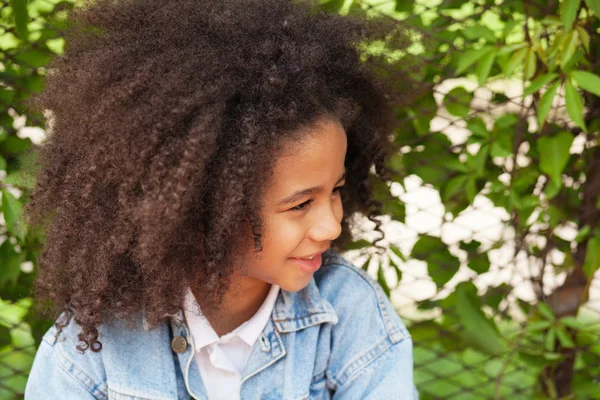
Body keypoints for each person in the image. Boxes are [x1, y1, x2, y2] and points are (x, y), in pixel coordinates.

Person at [23, 0, 418, 398]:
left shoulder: (348, 311)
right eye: (300, 205)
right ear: (202, 208)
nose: (332, 224)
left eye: (335, 190)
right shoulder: (96, 343)